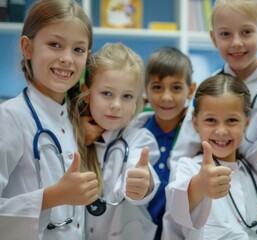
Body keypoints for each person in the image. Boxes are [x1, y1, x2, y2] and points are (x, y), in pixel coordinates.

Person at [169, 0, 257, 192]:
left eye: (246, 32)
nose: (236, 42)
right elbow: (181, 154)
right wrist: (183, 193)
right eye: (225, 34)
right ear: (213, 38)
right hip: (217, 193)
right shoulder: (209, 88)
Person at [0, 0, 97, 239]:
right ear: (27, 47)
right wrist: (53, 197)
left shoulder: (73, 119)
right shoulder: (10, 117)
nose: (67, 58)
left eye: (78, 49)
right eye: (55, 44)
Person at [165, 74, 257, 240]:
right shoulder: (189, 168)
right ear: (195, 123)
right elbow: (177, 205)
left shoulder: (252, 173)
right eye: (211, 120)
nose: (221, 131)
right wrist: (199, 185)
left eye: (231, 120)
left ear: (246, 123)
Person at [71, 42, 160, 240]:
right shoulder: (72, 136)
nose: (116, 105)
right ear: (87, 93)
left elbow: (140, 170)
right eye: (106, 93)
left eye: (127, 96)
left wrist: (142, 185)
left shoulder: (139, 139)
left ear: (137, 100)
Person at [129, 46, 196, 240]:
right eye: (157, 87)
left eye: (176, 88)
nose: (166, 97)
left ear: (190, 90)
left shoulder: (196, 136)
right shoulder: (135, 133)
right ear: (145, 90)